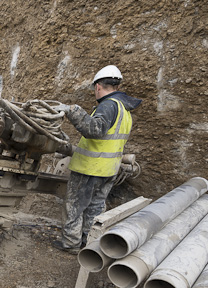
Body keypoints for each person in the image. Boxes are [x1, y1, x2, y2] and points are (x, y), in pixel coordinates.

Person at [51, 65, 142, 254]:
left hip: (90, 169)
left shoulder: (108, 106)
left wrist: (73, 111)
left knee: (75, 206)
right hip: (108, 169)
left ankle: (71, 244)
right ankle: (89, 242)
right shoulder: (124, 109)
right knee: (94, 208)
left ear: (98, 86)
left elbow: (96, 130)